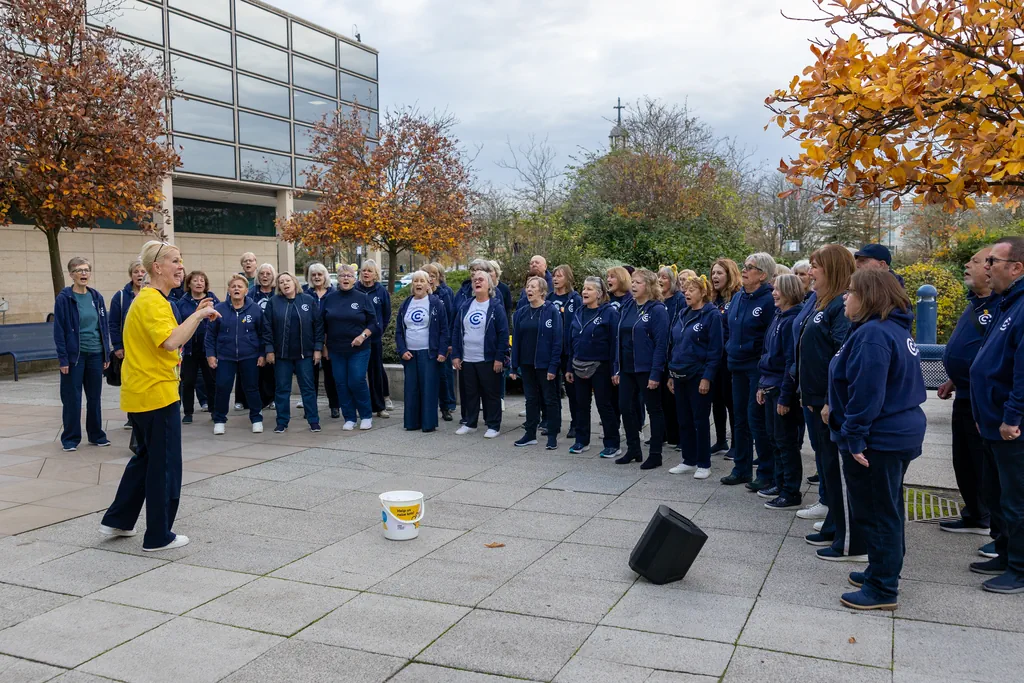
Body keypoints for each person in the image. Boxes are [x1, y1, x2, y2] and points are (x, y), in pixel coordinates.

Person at [101, 240, 221, 551]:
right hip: (156, 394)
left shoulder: (151, 300)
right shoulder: (152, 301)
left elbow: (170, 338)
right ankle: (158, 535)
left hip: (144, 393)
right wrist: (198, 317)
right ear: (157, 267)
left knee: (145, 459)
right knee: (164, 465)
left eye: (181, 261)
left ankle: (118, 518)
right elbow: (170, 341)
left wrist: (194, 315)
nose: (181, 267)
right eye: (175, 261)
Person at [831, 269, 926, 609]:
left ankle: (883, 587)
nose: (845, 297)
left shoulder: (874, 334)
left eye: (851, 292)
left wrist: (854, 436)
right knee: (888, 506)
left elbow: (867, 392)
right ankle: (881, 569)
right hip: (894, 432)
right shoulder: (887, 329)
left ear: (868, 297)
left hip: (880, 437)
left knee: (876, 511)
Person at [796, 245, 865, 560]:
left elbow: (841, 354)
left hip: (826, 402)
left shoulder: (839, 305)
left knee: (835, 468)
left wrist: (828, 399)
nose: (810, 272)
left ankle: (843, 532)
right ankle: (833, 522)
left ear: (833, 269)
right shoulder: (821, 301)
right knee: (825, 465)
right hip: (812, 397)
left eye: (816, 266)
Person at [969, 237, 1024, 594]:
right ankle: (1005, 553)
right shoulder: (1007, 303)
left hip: (1010, 427)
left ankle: (1019, 568)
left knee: (1016, 500)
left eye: (993, 261)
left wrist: (1013, 417)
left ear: (1016, 267)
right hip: (990, 421)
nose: (987, 267)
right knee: (998, 494)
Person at [937, 247, 997, 538]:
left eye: (975, 260)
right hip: (963, 394)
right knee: (963, 460)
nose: (967, 264)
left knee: (983, 461)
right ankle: (974, 512)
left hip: (983, 398)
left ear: (991, 267)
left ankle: (990, 519)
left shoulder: (1000, 307)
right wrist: (954, 379)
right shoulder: (974, 303)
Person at [720, 253, 777, 487]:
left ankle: (765, 473)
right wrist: (729, 347)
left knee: (756, 419)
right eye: (744, 266)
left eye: (750, 267)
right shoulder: (737, 297)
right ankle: (741, 469)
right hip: (736, 364)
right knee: (740, 418)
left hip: (756, 367)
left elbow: (771, 336)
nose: (744, 270)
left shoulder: (769, 300)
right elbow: (727, 328)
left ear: (762, 275)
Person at [756, 274, 805, 510]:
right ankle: (779, 482)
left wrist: (785, 397)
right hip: (769, 385)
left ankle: (791, 491)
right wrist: (761, 385)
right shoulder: (778, 316)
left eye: (778, 289)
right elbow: (767, 352)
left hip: (781, 388)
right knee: (774, 439)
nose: (773, 293)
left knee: (786, 442)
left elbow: (789, 362)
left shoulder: (791, 321)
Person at [613, 269, 669, 469]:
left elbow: (661, 344)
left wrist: (656, 373)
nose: (633, 285)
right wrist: (616, 367)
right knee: (625, 406)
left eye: (638, 282)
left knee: (653, 409)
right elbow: (619, 339)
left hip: (647, 368)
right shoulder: (628, 306)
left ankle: (655, 454)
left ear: (649, 285)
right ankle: (633, 448)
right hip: (627, 367)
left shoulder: (657, 310)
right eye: (633, 282)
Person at [54, 257, 111, 452]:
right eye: (79, 270)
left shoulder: (96, 297)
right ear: (71, 274)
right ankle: (70, 439)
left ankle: (96, 435)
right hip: (75, 357)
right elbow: (59, 330)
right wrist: (63, 358)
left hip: (95, 354)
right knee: (72, 399)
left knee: (94, 398)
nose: (83, 273)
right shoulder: (64, 298)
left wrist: (106, 354)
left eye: (86, 270)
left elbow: (103, 326)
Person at [667, 275, 722, 480]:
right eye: (685, 289)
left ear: (703, 292)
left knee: (700, 420)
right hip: (679, 373)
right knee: (684, 419)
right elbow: (674, 345)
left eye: (691, 290)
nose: (686, 293)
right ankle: (688, 460)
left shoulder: (711, 315)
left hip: (698, 374)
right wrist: (671, 373)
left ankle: (703, 463)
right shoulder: (682, 313)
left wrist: (707, 377)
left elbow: (715, 349)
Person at [566, 276, 621, 457]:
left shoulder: (609, 313)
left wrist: (615, 369)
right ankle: (581, 441)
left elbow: (615, 343)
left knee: (604, 405)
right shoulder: (578, 312)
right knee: (581, 404)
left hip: (600, 366)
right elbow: (572, 341)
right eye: (584, 288)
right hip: (578, 364)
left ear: (599, 293)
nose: (584, 292)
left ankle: (612, 443)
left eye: (589, 289)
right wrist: (569, 367)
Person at [263, 272, 323, 433]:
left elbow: (318, 326)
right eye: (281, 282)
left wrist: (318, 348)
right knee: (282, 389)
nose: (285, 284)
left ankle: (313, 420)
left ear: (295, 282)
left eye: (287, 280)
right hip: (282, 355)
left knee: (308, 389)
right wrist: (269, 350)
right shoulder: (273, 302)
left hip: (305, 354)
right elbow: (267, 328)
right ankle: (282, 422)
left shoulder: (308, 300)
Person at [451, 270, 509, 438]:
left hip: (488, 359)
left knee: (491, 394)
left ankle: (493, 425)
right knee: (470, 393)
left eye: (481, 279)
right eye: (475, 280)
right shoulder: (465, 306)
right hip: (468, 358)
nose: (477, 282)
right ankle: (470, 423)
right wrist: (456, 355)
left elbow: (503, 334)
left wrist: (499, 357)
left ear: (489, 285)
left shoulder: (495, 307)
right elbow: (456, 331)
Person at [322, 264, 379, 431]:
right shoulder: (330, 298)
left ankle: (366, 415)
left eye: (349, 276)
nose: (345, 278)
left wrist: (362, 336)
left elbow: (373, 323)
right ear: (337, 279)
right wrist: (324, 346)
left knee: (356, 380)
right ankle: (349, 417)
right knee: (341, 383)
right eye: (342, 276)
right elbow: (322, 324)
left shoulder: (362, 298)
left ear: (355, 279)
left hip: (359, 349)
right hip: (336, 349)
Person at [206, 275, 266, 435]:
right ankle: (219, 420)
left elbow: (263, 334)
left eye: (240, 286)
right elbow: (210, 335)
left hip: (250, 356)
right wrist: (210, 354)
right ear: (228, 290)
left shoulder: (255, 309)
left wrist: (262, 354)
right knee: (222, 388)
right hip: (225, 357)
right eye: (233, 286)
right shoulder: (219, 309)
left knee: (252, 388)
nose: (236, 289)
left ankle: (256, 419)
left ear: (246, 290)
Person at [510, 276, 562, 450]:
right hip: (526, 363)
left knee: (550, 399)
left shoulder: (551, 311)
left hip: (545, 364)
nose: (529, 290)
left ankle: (552, 435)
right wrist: (514, 366)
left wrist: (553, 366)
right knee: (531, 399)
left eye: (533, 287)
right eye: (527, 286)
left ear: (542, 291)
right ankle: (530, 433)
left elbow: (557, 340)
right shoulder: (521, 312)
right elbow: (516, 340)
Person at [395, 271, 449, 432]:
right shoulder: (406, 303)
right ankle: (412, 423)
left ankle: (428, 424)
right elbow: (399, 331)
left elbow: (444, 330)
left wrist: (442, 351)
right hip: (410, 354)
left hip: (429, 353)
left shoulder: (436, 303)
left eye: (422, 281)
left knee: (428, 388)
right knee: (411, 389)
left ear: (428, 284)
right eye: (415, 281)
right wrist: (402, 350)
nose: (418, 284)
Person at [176, 271, 219, 425]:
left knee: (211, 380)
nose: (199, 283)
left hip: (208, 348)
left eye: (202, 280)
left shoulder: (213, 299)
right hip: (189, 348)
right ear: (189, 284)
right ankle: (188, 412)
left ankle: (214, 410)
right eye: (195, 280)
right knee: (188, 381)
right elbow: (181, 322)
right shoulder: (182, 302)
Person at [109, 260, 147, 430]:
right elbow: (113, 323)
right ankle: (132, 417)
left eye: (143, 272)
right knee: (131, 383)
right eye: (136, 272)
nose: (140, 275)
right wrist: (118, 346)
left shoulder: (153, 294)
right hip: (128, 348)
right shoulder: (121, 296)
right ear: (131, 275)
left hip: (147, 347)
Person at [548, 265, 584, 440]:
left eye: (560, 276)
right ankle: (552, 423)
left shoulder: (575, 299)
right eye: (554, 276)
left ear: (568, 278)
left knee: (572, 390)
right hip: (552, 350)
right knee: (551, 390)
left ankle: (576, 424)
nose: (555, 279)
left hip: (569, 351)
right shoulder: (549, 298)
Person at [710, 258, 742, 457]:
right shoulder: (714, 299)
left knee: (731, 402)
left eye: (719, 273)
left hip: (730, 357)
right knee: (717, 400)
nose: (715, 276)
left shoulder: (738, 297)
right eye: (713, 273)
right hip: (714, 357)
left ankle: (737, 443)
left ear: (730, 275)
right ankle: (720, 440)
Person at [356, 260, 393, 418]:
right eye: (364, 270)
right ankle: (360, 406)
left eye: (369, 271)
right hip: (356, 339)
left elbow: (386, 314)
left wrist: (379, 330)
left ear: (375, 274)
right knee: (357, 374)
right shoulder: (355, 289)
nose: (366, 273)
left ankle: (379, 406)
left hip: (374, 340)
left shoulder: (381, 291)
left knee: (375, 373)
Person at [304, 263, 340, 419]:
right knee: (310, 377)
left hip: (330, 340)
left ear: (325, 276)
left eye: (319, 274)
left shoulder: (334, 294)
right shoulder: (305, 294)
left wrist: (325, 343)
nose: (317, 277)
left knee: (331, 376)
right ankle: (310, 408)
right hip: (309, 340)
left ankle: (334, 406)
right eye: (313, 275)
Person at [424, 263, 457, 421]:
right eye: (427, 276)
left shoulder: (445, 293)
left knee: (444, 374)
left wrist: (449, 341)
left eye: (433, 276)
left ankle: (448, 404)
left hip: (442, 341)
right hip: (425, 342)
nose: (430, 279)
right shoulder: (419, 295)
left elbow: (450, 317)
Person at [244, 263, 277, 409]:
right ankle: (259, 400)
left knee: (272, 369)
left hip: (274, 336)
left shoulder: (277, 293)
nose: (265, 276)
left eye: (268, 274)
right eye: (262, 274)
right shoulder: (251, 294)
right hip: (255, 336)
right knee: (257, 369)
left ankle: (272, 398)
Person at [659, 266, 684, 448]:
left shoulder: (679, 300)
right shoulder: (657, 300)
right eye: (658, 277)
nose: (660, 280)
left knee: (673, 397)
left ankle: (678, 436)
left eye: (664, 277)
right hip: (659, 353)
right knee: (660, 397)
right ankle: (664, 433)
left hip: (673, 352)